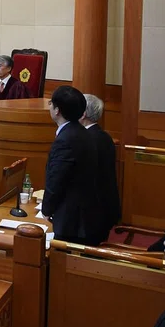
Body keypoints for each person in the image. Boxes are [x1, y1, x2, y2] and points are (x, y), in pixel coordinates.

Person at [41, 86, 101, 245]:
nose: (49, 106)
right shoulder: (83, 132)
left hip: (71, 220)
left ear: (57, 111)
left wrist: (47, 209)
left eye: (51, 103)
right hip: (83, 213)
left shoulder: (66, 140)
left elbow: (57, 179)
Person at [81, 94, 120, 242]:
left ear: (83, 114)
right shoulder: (104, 136)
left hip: (91, 214)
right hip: (105, 208)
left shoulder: (86, 140)